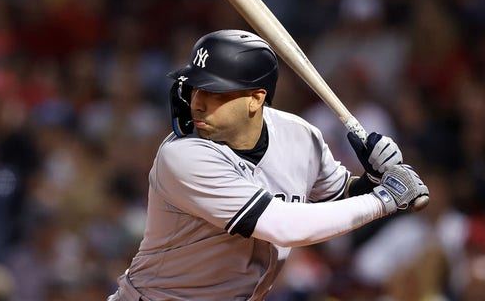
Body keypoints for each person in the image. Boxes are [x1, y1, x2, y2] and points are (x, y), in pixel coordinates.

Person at [107, 29, 429, 301]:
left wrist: (371, 180)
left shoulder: (301, 136)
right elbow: (284, 226)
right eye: (194, 88)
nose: (197, 102)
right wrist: (385, 198)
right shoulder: (183, 156)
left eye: (214, 92)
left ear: (256, 98)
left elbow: (336, 205)